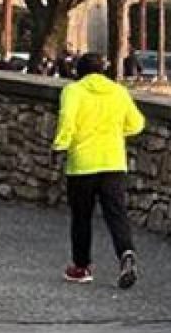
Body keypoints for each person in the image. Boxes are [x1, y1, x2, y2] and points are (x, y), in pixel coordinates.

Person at [53, 52, 145, 288]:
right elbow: (136, 124)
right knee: (116, 214)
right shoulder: (118, 92)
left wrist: (60, 145)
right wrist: (114, 133)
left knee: (82, 216)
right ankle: (126, 252)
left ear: (78, 72)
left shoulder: (73, 91)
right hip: (113, 161)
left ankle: (81, 267)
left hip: (82, 163)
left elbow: (67, 120)